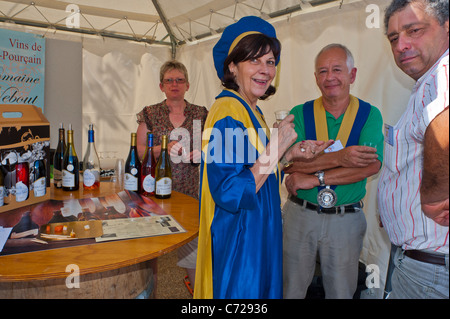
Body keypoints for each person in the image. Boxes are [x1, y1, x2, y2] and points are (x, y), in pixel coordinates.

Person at [194, 16, 333, 299]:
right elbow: (230, 190)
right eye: (254, 61)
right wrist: (274, 149)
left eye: (270, 61)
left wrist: (287, 154)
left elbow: (254, 171)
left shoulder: (251, 110)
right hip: (240, 245)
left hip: (258, 235)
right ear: (232, 67)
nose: (265, 70)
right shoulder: (227, 112)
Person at [283, 43, 384, 299]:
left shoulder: (369, 114)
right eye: (323, 71)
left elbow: (370, 166)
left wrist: (314, 177)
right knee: (290, 289)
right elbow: (292, 164)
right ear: (315, 78)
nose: (330, 77)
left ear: (352, 74)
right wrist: (342, 157)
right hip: (299, 215)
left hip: (346, 219)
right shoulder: (300, 113)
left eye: (337, 69)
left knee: (341, 292)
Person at [378, 0, 449, 299]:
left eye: (414, 30)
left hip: (430, 269)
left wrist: (433, 199)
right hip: (423, 263)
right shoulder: (426, 82)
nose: (401, 45)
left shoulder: (443, 72)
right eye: (394, 38)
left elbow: (443, 119)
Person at [136, 60, 208, 293]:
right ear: (161, 86)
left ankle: (197, 293)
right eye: (169, 80)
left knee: (194, 247)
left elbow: (213, 147)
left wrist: (202, 153)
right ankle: (150, 292)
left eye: (179, 80)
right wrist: (163, 148)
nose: (174, 84)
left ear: (187, 85)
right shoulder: (150, 113)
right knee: (153, 248)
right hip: (157, 194)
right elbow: (139, 154)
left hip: (194, 192)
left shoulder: (202, 114)